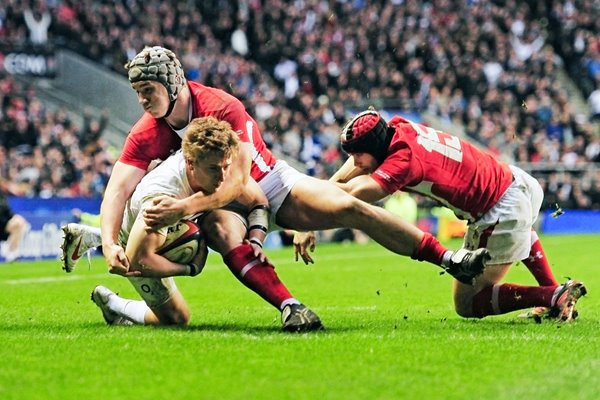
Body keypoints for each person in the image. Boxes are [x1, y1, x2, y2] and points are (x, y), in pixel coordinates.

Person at [63, 46, 488, 311]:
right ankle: (290, 306)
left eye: (149, 89)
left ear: (173, 82)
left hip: (268, 184)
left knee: (352, 208)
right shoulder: (146, 130)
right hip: (210, 205)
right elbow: (117, 188)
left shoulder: (221, 106)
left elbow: (241, 182)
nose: (141, 98)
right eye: (137, 90)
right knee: (210, 241)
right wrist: (114, 240)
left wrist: (186, 207)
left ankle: (449, 260)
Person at [331, 109, 587, 322]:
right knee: (521, 232)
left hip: (498, 208)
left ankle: (553, 295)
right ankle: (555, 296)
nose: (355, 162)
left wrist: (314, 198)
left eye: (357, 154)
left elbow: (354, 192)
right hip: (515, 180)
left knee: (467, 304)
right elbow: (348, 175)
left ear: (374, 147)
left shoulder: (402, 162)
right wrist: (327, 185)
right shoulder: (398, 126)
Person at [71, 116, 321, 330]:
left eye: (225, 167)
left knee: (209, 227)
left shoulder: (217, 165)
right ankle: (113, 294)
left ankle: (95, 244)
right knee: (176, 319)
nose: (223, 176)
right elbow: (140, 260)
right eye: (214, 169)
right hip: (136, 242)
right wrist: (190, 268)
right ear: (190, 163)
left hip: (173, 224)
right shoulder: (161, 199)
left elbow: (258, 201)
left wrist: (256, 240)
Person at [0, 189, 29, 262]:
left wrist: (16, 217)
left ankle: (12, 253)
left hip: (3, 225)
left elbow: (8, 212)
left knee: (18, 222)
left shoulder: (2, 195)